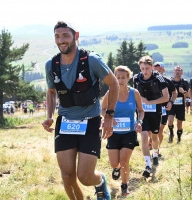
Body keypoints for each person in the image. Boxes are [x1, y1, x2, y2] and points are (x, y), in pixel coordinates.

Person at [42, 21, 119, 200]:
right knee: (67, 176)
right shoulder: (51, 65)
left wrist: (109, 115)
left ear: (76, 36)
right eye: (57, 36)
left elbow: (113, 83)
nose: (61, 40)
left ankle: (100, 182)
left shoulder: (91, 60)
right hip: (65, 122)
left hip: (90, 122)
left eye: (65, 36)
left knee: (84, 177)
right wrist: (49, 116)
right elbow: (52, 92)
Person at [101, 66, 144, 197]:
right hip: (113, 133)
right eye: (118, 77)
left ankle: (124, 186)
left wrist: (139, 122)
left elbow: (141, 111)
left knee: (125, 161)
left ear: (128, 78)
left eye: (123, 77)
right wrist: (109, 117)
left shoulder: (134, 93)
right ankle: (116, 168)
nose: (120, 80)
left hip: (129, 132)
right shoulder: (110, 92)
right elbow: (102, 109)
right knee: (115, 163)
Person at [133, 56, 169, 177]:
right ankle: (147, 165)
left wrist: (149, 102)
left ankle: (155, 153)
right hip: (142, 112)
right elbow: (134, 95)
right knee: (143, 137)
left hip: (155, 111)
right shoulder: (136, 79)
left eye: (147, 68)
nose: (145, 71)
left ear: (152, 67)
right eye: (142, 68)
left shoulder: (159, 78)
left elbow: (166, 97)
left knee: (154, 136)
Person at [152, 62, 177, 156]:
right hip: (151, 108)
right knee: (151, 131)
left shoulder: (167, 81)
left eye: (160, 69)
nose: (157, 70)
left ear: (163, 70)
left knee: (160, 130)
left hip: (163, 108)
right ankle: (153, 144)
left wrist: (171, 102)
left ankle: (157, 150)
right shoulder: (147, 81)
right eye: (155, 68)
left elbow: (175, 93)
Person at [167, 65, 189, 143]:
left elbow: (188, 95)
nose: (177, 71)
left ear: (182, 72)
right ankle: (171, 133)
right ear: (173, 72)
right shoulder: (169, 82)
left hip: (180, 106)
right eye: (176, 70)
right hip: (172, 105)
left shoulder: (185, 82)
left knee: (179, 124)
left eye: (179, 70)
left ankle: (179, 138)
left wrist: (183, 92)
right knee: (170, 121)